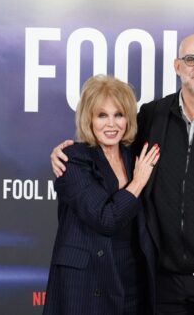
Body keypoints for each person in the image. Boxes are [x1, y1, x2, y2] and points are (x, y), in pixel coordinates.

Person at [51, 33, 194, 315]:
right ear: (177, 67)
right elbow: (108, 146)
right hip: (163, 282)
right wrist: (60, 152)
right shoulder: (152, 116)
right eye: (190, 59)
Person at [44, 75, 159, 315]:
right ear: (89, 119)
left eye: (119, 115)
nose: (111, 124)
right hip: (87, 282)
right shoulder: (73, 159)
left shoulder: (133, 156)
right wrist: (137, 182)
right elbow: (105, 219)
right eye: (102, 115)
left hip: (130, 281)